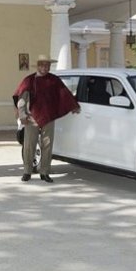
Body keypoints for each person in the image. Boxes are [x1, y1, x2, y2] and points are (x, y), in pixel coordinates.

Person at [13, 55, 80, 183]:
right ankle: (27, 171)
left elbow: (64, 94)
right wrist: (22, 115)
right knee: (29, 145)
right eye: (42, 65)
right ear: (38, 66)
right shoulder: (29, 80)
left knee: (47, 145)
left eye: (47, 65)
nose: (45, 67)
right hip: (31, 117)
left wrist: (74, 106)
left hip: (49, 116)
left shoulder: (54, 80)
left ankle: (45, 172)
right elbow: (22, 99)